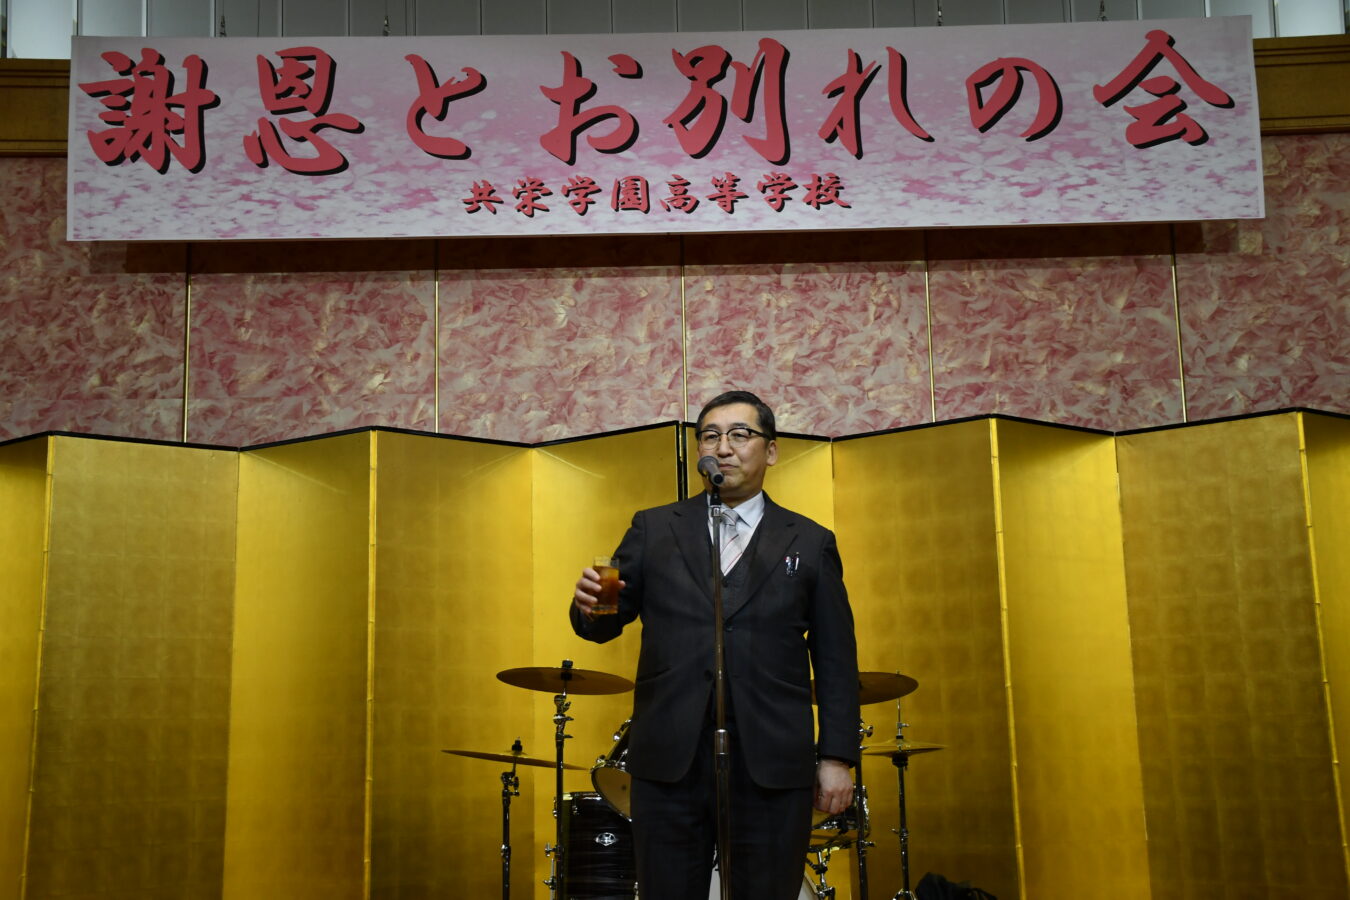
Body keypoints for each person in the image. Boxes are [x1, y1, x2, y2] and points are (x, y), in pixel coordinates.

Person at [571, 390, 860, 900]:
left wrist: (837, 756)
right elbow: (603, 625)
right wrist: (591, 606)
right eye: (710, 436)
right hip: (669, 757)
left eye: (739, 435)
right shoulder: (654, 527)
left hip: (772, 759)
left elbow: (836, 659)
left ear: (771, 450)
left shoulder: (810, 541)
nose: (723, 448)